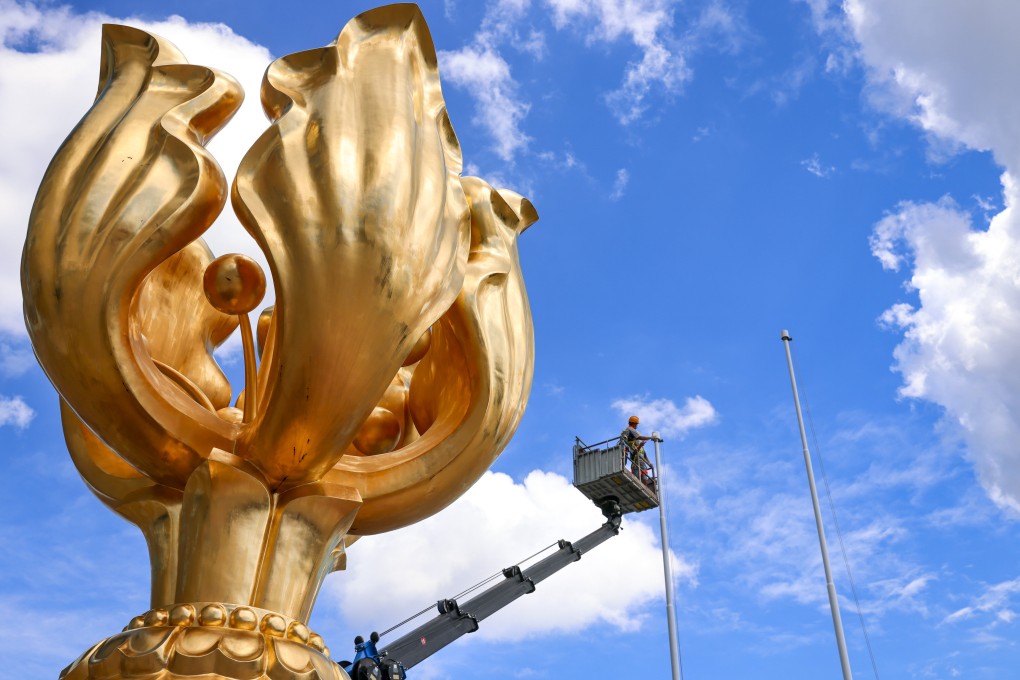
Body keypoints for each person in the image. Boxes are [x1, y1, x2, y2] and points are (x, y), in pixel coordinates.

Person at [621, 415, 653, 482]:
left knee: (644, 479)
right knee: (623, 459)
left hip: (642, 465)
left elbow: (645, 456)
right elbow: (639, 437)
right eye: (636, 424)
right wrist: (650, 438)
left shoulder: (629, 431)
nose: (637, 426)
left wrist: (649, 463)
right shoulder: (631, 429)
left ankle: (621, 467)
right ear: (633, 423)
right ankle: (621, 468)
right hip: (635, 464)